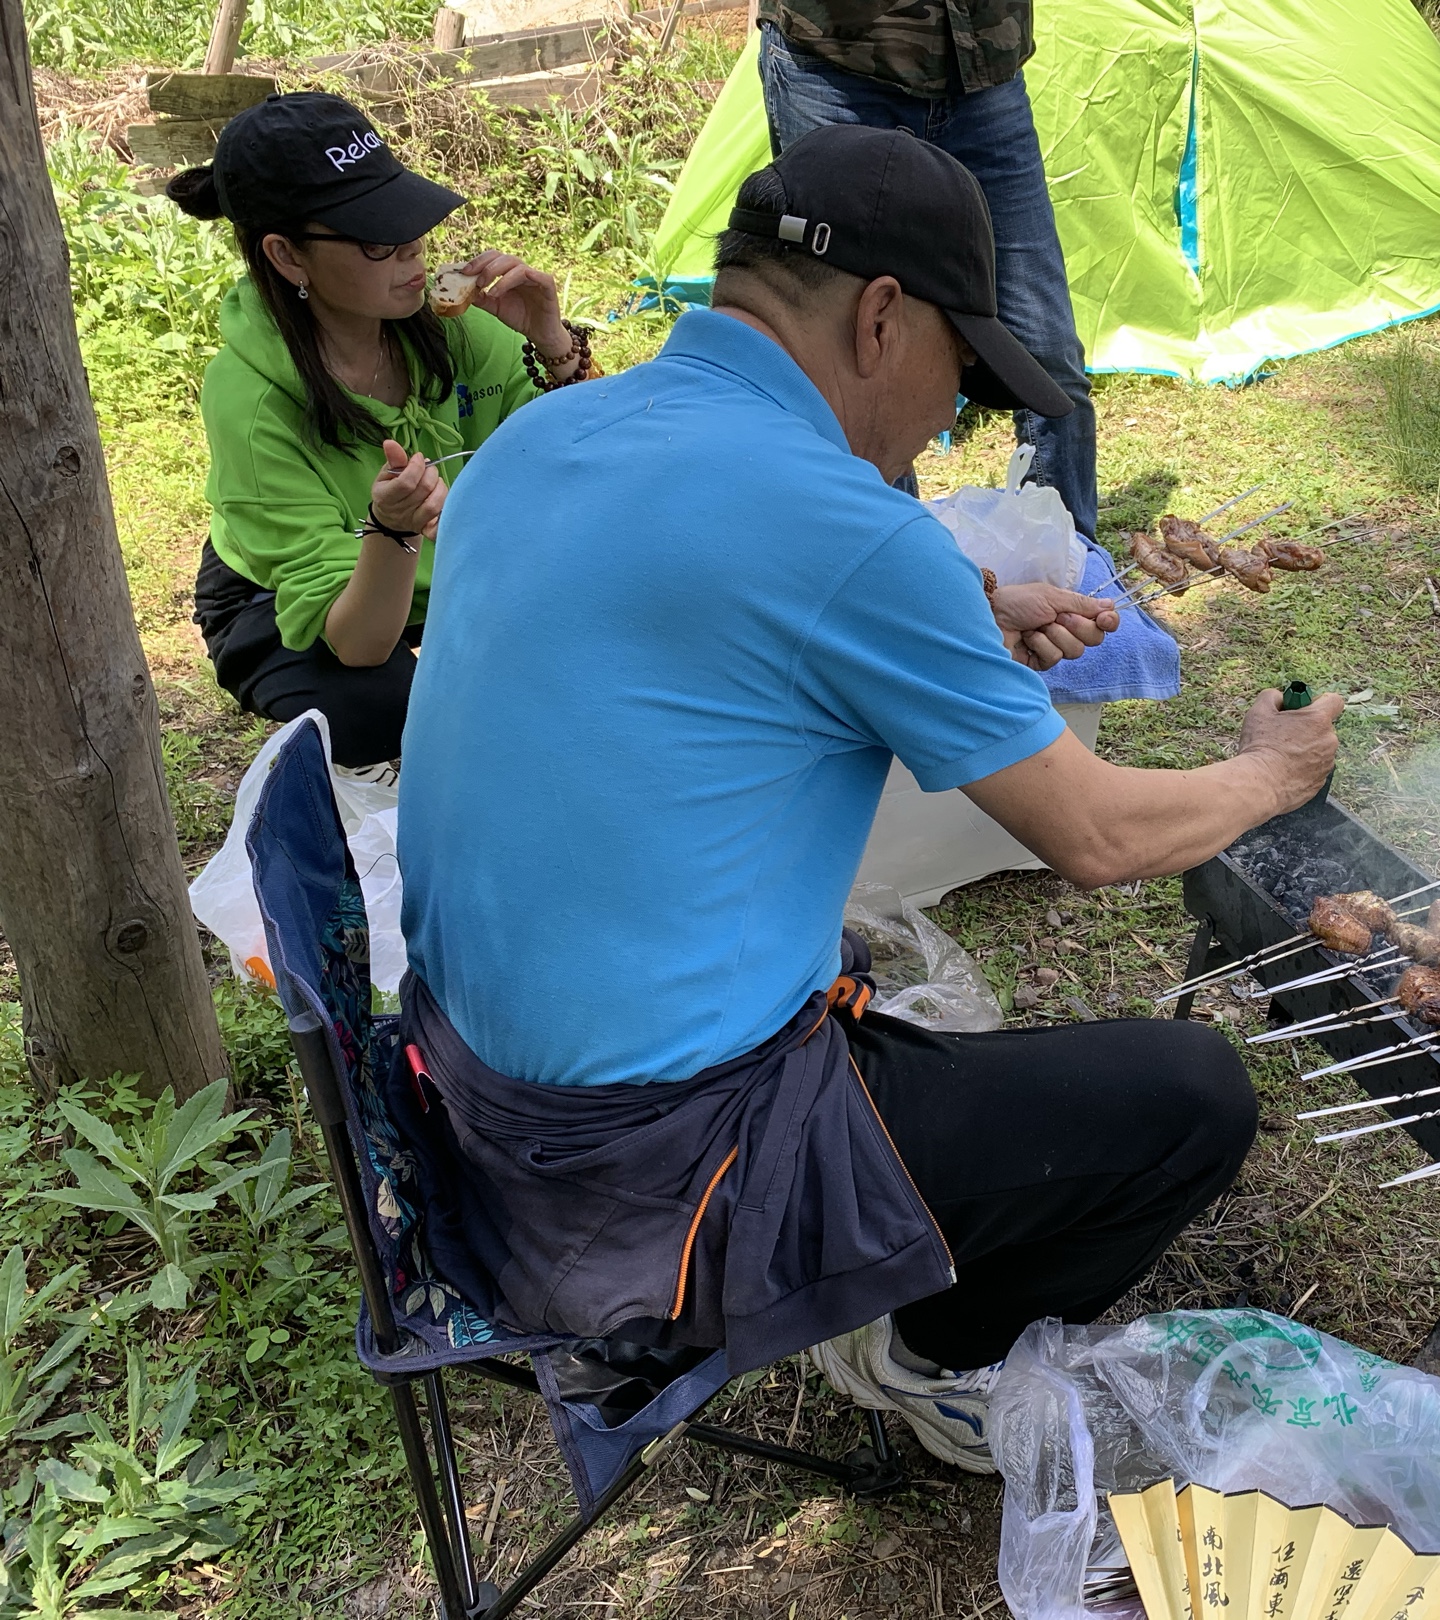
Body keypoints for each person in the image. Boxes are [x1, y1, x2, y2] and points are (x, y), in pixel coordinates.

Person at [394, 126, 1343, 1474]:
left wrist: (967, 615)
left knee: (858, 980)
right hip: (646, 1195)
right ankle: (934, 1361)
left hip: (463, 1113)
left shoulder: (547, 436)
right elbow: (1096, 835)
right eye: (962, 372)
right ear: (883, 319)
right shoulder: (847, 528)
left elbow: (708, 626)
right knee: (1192, 1096)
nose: (953, 418)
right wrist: (1271, 773)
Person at [165, 93, 599, 770]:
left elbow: (602, 467)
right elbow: (359, 642)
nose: (414, 257)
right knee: (389, 709)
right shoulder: (250, 400)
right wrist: (392, 530)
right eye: (378, 242)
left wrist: (552, 340)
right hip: (292, 598)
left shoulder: (452, 331)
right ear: (287, 256)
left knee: (605, 621)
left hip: (443, 560)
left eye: (411, 227)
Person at [755, 0, 1097, 538]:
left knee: (1047, 352)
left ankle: (1072, 575)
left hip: (984, 70)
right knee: (854, 362)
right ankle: (894, 581)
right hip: (835, 66)